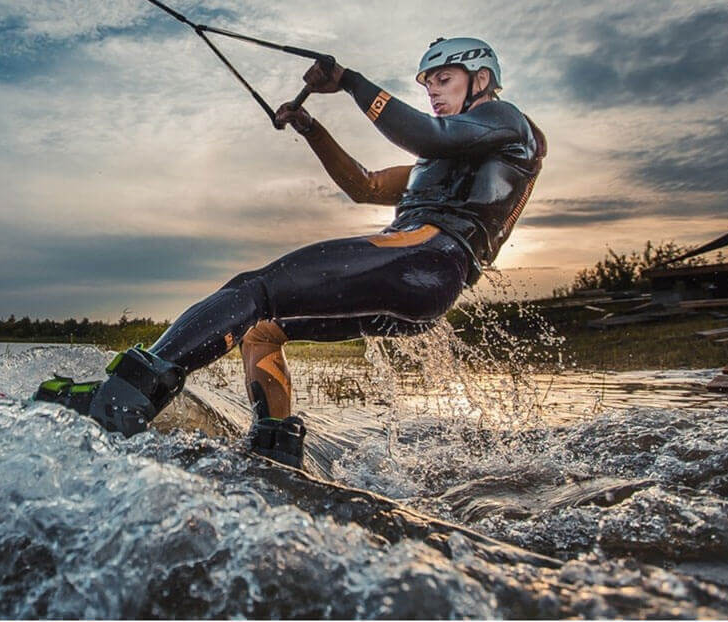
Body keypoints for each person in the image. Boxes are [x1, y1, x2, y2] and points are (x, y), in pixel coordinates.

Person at [34, 37, 546, 468]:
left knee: (254, 290)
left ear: (480, 78)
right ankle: (274, 450)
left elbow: (425, 134)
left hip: (427, 258)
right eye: (427, 83)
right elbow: (364, 186)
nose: (432, 91)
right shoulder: (440, 163)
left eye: (443, 79)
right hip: (418, 286)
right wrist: (310, 128)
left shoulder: (504, 120)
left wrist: (349, 80)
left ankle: (123, 399)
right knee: (261, 332)